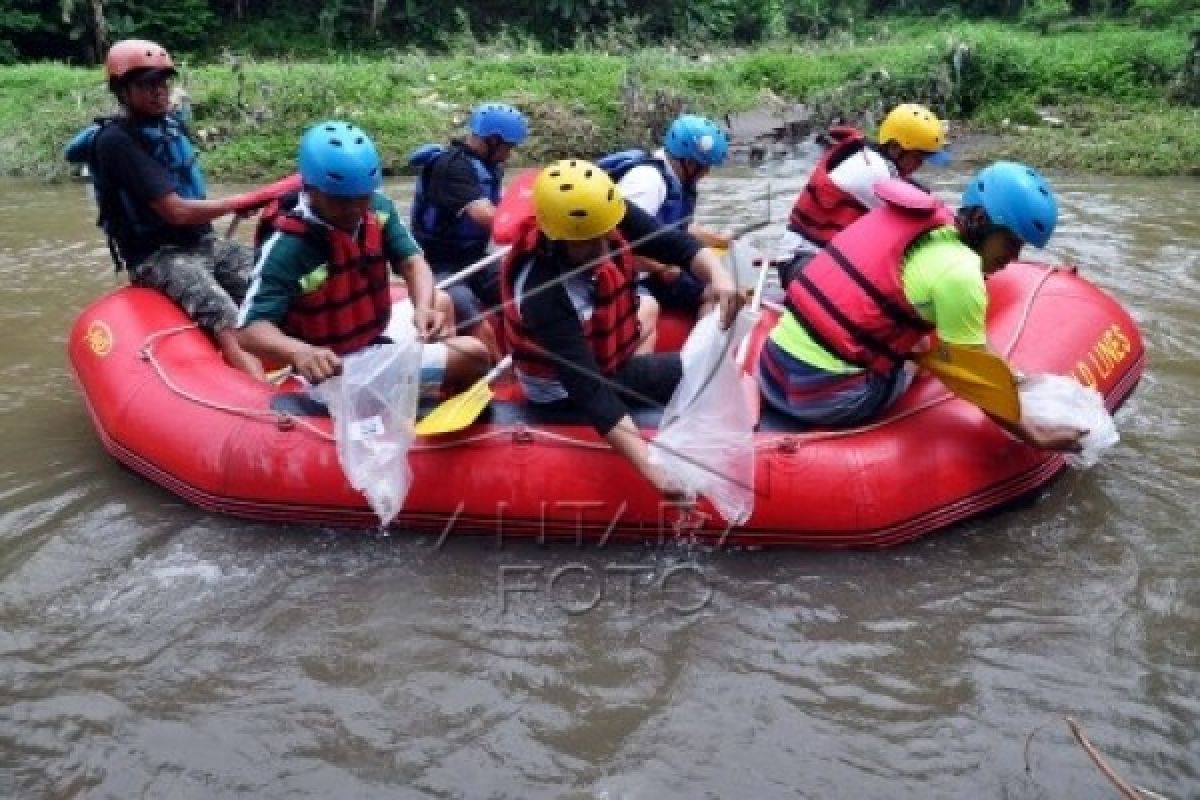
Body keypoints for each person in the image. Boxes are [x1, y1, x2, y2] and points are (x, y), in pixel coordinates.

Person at [758, 161, 1084, 452]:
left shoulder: (921, 227)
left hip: (771, 372)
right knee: (926, 349)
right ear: (984, 221)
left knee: (922, 334)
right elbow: (972, 376)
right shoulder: (961, 275)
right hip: (828, 401)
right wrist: (1034, 435)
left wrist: (1014, 377)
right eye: (1011, 243)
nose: (1013, 258)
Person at [500, 159, 745, 499]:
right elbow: (589, 390)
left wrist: (718, 276)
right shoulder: (542, 293)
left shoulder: (601, 213)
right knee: (708, 373)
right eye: (587, 242)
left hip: (603, 357)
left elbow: (675, 245)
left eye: (604, 234)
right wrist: (650, 468)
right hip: (562, 390)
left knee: (648, 306)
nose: (603, 247)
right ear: (556, 237)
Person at [236, 121, 489, 395]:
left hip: (372, 341)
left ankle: (417, 392)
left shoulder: (377, 209)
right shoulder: (287, 247)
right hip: (334, 367)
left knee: (440, 301)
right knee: (475, 355)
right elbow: (249, 331)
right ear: (310, 189)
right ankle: (415, 394)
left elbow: (413, 262)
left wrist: (423, 307)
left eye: (362, 197)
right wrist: (301, 352)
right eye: (341, 201)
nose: (355, 209)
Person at [66, 39, 262, 378]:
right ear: (122, 91)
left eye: (162, 82)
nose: (158, 91)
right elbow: (175, 211)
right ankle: (268, 410)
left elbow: (190, 200)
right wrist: (232, 204)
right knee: (227, 320)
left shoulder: (168, 125)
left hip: (204, 242)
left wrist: (228, 208)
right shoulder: (116, 142)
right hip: (157, 256)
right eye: (146, 84)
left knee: (272, 283)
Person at [776, 103, 951, 286]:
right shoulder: (873, 171)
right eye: (917, 157)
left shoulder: (873, 159)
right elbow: (921, 220)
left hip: (813, 258)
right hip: (802, 262)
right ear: (895, 148)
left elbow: (919, 193)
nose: (919, 165)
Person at [600, 115, 731, 347]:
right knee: (712, 296)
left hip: (648, 267)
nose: (707, 173)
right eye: (706, 166)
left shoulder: (671, 177)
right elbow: (618, 238)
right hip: (628, 272)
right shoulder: (648, 182)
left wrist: (719, 240)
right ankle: (697, 360)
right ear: (690, 163)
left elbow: (674, 227)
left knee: (708, 282)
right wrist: (663, 268)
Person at [408, 102, 528, 341]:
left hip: (473, 259)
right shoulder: (453, 168)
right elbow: (486, 216)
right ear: (493, 140)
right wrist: (530, 230)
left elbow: (502, 207)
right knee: (472, 317)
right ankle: (492, 373)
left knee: (521, 288)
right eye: (509, 147)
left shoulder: (487, 167)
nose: (509, 154)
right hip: (438, 266)